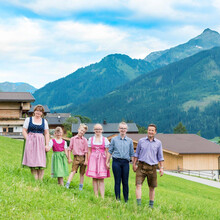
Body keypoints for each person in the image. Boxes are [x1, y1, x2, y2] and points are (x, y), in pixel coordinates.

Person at [133, 124, 164, 208]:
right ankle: (139, 205)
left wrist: (161, 168)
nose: (150, 132)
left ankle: (151, 206)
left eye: (152, 130)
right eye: (149, 130)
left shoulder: (158, 143)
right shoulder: (141, 141)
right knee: (138, 185)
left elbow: (160, 157)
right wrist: (134, 164)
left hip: (152, 167)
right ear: (147, 131)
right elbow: (136, 154)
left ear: (155, 132)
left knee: (152, 187)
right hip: (141, 166)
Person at [106, 122, 134, 202]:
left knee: (125, 181)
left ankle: (126, 200)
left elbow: (132, 153)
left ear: (126, 130)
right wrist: (107, 162)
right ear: (119, 129)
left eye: (124, 128)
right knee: (117, 181)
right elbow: (110, 151)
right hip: (116, 162)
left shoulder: (129, 141)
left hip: (125, 163)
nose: (123, 130)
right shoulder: (114, 139)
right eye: (121, 128)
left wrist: (134, 164)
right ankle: (117, 199)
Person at [22, 105, 50, 180]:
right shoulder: (28, 119)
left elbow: (47, 133)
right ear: (34, 111)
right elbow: (24, 130)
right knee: (32, 160)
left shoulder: (44, 121)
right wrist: (28, 139)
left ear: (42, 113)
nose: (38, 112)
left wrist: (47, 145)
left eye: (40, 111)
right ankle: (35, 179)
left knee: (41, 160)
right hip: (30, 141)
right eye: (37, 110)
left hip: (40, 142)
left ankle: (40, 180)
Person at [86, 124, 110, 198]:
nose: (98, 131)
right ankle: (96, 195)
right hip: (93, 159)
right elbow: (89, 151)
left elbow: (107, 151)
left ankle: (102, 196)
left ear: (102, 130)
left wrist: (107, 161)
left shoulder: (105, 140)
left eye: (99, 129)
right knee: (94, 178)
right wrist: (87, 160)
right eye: (96, 129)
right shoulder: (91, 139)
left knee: (101, 178)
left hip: (102, 159)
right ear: (94, 130)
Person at [65, 124, 88, 190]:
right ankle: (67, 184)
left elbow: (86, 151)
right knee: (73, 171)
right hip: (76, 157)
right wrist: (69, 158)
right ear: (78, 130)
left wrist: (86, 160)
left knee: (82, 173)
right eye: (81, 130)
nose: (82, 132)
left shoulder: (85, 140)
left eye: (83, 132)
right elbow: (69, 149)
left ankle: (80, 187)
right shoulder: (73, 139)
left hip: (83, 158)